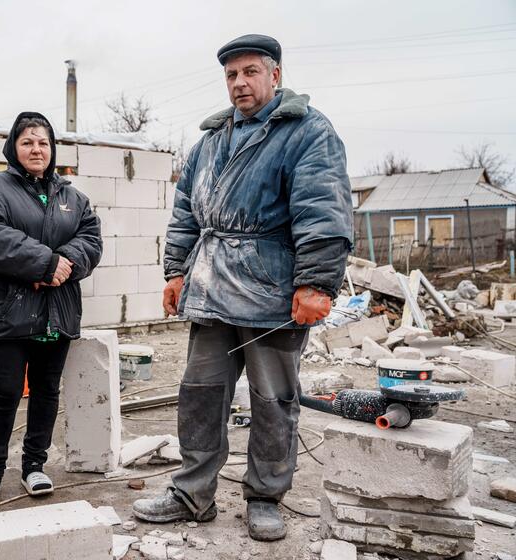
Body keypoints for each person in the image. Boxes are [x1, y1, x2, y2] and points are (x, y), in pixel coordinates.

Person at [131, 34, 353, 541]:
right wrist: (175, 270)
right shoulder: (211, 140)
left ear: (275, 75)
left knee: (272, 399)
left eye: (250, 72)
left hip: (271, 289)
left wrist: (316, 281)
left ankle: (265, 496)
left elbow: (323, 210)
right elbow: (186, 208)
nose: (239, 83)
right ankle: (192, 493)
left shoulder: (306, 133)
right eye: (231, 75)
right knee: (200, 393)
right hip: (210, 287)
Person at [0, 112, 102, 507]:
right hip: (8, 311)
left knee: (46, 391)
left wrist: (63, 264)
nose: (36, 149)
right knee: (5, 392)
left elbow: (91, 240)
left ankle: (34, 465)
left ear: (52, 148)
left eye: (42, 142)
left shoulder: (73, 198)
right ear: (14, 148)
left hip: (55, 311)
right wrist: (44, 264)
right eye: (27, 142)